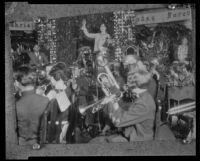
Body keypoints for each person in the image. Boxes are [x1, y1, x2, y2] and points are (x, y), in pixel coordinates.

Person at [107, 69, 156, 142]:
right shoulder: (143, 97)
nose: (126, 85)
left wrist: (111, 102)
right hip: (132, 137)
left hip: (139, 142)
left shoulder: (143, 104)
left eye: (128, 83)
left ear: (135, 84)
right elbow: (124, 108)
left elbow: (118, 122)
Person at [14, 66, 49, 148]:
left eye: (14, 81)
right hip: (42, 147)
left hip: (21, 149)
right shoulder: (46, 100)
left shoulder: (15, 105)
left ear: (18, 83)